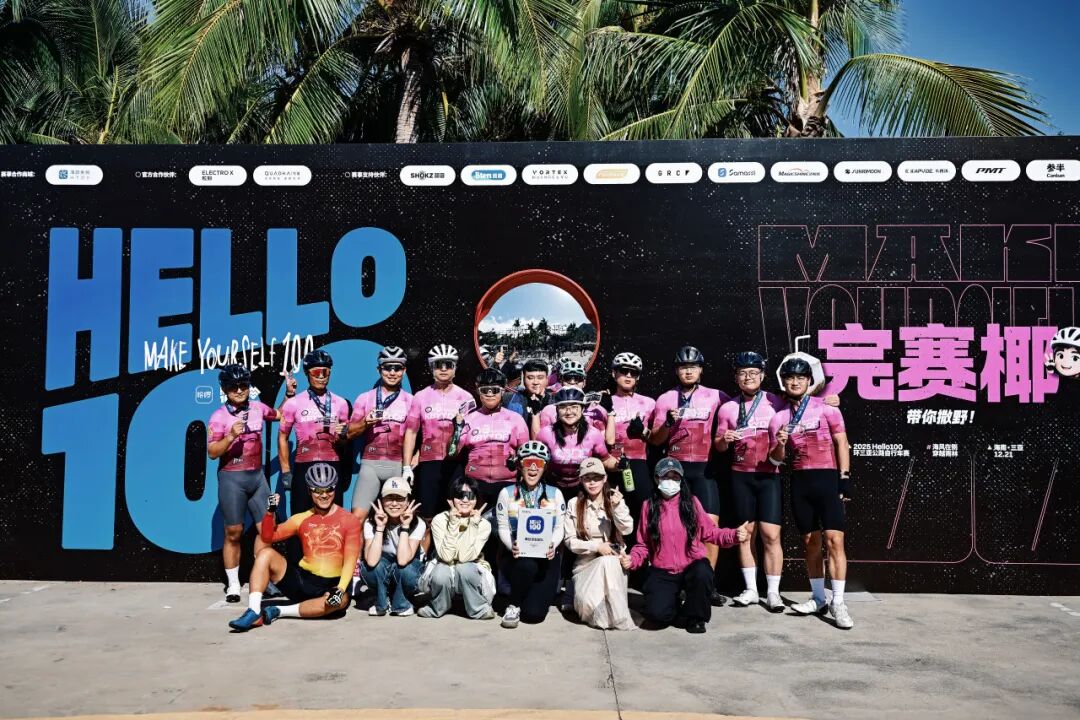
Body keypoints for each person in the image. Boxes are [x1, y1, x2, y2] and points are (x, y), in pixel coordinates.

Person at [769, 357, 854, 630]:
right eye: (790, 378)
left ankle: (838, 602)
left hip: (827, 478)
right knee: (810, 542)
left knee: (835, 541)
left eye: (800, 378)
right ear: (784, 382)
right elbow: (775, 459)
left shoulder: (827, 408)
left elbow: (842, 442)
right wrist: (780, 443)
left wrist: (844, 478)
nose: (795, 382)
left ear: (809, 381)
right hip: (800, 482)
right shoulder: (780, 418)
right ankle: (818, 598)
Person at [228, 463, 360, 630]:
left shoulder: (350, 520)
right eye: (318, 490)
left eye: (329, 489)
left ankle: (279, 611)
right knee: (265, 554)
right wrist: (269, 513)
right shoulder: (300, 519)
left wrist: (340, 589)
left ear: (335, 488)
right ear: (309, 491)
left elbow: (350, 559)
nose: (324, 495)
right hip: (302, 581)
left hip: (330, 587)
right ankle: (254, 612)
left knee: (341, 602)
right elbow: (268, 537)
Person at [627, 458, 749, 634]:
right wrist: (632, 560)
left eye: (675, 477)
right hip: (663, 571)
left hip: (691, 566)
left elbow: (711, 532)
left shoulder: (692, 503)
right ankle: (675, 605)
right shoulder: (649, 506)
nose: (670, 481)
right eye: (666, 476)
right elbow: (643, 544)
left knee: (703, 573)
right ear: (656, 478)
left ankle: (696, 618)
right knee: (657, 615)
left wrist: (734, 535)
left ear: (681, 480)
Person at [207, 363, 293, 602]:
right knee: (233, 533)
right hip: (231, 479)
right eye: (233, 386)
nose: (239, 390)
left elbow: (279, 414)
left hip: (257, 478)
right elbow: (212, 452)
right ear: (225, 389)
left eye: (243, 385)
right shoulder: (218, 417)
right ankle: (234, 585)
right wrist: (231, 436)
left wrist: (289, 395)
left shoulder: (257, 408)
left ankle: (263, 579)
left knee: (267, 530)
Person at [649, 345, 729, 601]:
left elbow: (745, 406)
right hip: (676, 471)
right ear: (677, 370)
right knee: (674, 528)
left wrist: (823, 398)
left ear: (701, 370)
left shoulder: (716, 396)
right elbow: (655, 440)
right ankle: (677, 583)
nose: (688, 371)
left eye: (693, 366)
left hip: (704, 469)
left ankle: (708, 586)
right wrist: (668, 423)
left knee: (711, 528)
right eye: (683, 367)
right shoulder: (665, 399)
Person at [714, 351, 785, 612]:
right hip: (740, 476)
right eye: (743, 373)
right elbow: (718, 445)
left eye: (753, 373)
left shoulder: (776, 401)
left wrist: (829, 400)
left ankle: (773, 593)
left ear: (762, 375)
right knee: (745, 534)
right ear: (736, 377)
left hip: (768, 475)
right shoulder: (728, 408)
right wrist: (724, 440)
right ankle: (751, 590)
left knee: (771, 535)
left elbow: (803, 405)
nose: (748, 377)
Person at [402, 344, 473, 550]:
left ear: (455, 368)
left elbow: (470, 435)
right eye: (438, 365)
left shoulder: (466, 397)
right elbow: (411, 432)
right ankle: (424, 558)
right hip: (429, 462)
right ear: (431, 367)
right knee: (427, 516)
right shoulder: (421, 396)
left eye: (448, 365)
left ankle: (452, 557)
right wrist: (406, 466)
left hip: (456, 463)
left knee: (456, 513)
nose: (443, 369)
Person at [495, 441, 567, 628]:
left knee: (533, 615)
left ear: (545, 467)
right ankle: (513, 604)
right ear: (520, 465)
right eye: (528, 463)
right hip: (517, 557)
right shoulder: (507, 493)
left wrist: (552, 544)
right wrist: (512, 546)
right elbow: (503, 527)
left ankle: (523, 595)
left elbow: (560, 527)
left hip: (546, 558)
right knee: (526, 564)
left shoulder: (555, 494)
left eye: (539, 463)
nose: (533, 468)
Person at [564, 458, 635, 630]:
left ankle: (615, 615)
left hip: (613, 563)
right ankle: (578, 592)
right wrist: (597, 547)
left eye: (597, 477)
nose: (592, 482)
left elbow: (627, 529)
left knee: (608, 562)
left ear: (604, 478)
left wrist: (616, 508)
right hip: (585, 563)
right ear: (581, 481)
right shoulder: (574, 504)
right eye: (587, 478)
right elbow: (570, 541)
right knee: (588, 607)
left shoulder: (614, 500)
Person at [347, 345, 415, 524]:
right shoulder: (365, 398)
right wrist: (365, 423)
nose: (392, 372)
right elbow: (349, 434)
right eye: (387, 367)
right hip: (370, 465)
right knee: (357, 519)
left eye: (397, 368)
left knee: (400, 520)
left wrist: (410, 465)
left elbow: (419, 436)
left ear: (404, 370)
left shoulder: (411, 401)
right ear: (379, 369)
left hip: (397, 466)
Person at [447, 367, 530, 510]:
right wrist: (457, 429)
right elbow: (451, 453)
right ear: (478, 392)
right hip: (475, 484)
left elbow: (526, 455)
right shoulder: (469, 419)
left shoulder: (516, 419)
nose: (490, 394)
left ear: (503, 391)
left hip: (507, 483)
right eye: (485, 390)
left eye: (495, 390)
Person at [278, 350, 350, 514]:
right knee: (301, 518)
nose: (321, 376)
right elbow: (282, 437)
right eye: (317, 372)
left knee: (333, 519)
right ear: (307, 373)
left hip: (332, 463)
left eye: (326, 372)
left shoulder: (341, 403)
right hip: (303, 465)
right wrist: (286, 471)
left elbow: (344, 443)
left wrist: (344, 436)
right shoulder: (293, 403)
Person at [418, 477, 496, 619]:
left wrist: (473, 524)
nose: (465, 500)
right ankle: (438, 607)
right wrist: (453, 524)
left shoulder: (483, 524)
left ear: (476, 500)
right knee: (441, 573)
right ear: (452, 498)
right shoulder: (440, 519)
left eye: (470, 496)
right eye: (460, 495)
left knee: (464, 569)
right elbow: (446, 557)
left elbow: (465, 557)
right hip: (445, 564)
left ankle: (479, 609)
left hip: (470, 566)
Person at [603, 352, 656, 532]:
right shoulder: (604, 402)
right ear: (614, 373)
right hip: (612, 463)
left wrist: (643, 431)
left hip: (639, 462)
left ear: (638, 377)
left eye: (633, 373)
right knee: (612, 512)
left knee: (643, 510)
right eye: (624, 371)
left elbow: (657, 439)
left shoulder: (649, 403)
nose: (628, 376)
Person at [359, 477, 425, 616]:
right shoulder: (370, 523)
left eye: (399, 498)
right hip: (384, 571)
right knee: (369, 568)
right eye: (389, 498)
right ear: (382, 501)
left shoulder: (418, 523)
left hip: (405, 571)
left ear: (407, 501)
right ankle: (382, 602)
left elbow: (403, 560)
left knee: (406, 570)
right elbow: (371, 561)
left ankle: (402, 603)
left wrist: (405, 526)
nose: (394, 503)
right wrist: (380, 527)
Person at [532, 360, 609, 436]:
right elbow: (540, 438)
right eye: (567, 378)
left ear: (584, 382)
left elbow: (604, 439)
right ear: (561, 381)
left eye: (577, 378)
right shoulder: (548, 410)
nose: (572, 382)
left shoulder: (596, 409)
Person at [502, 358, 552, 426]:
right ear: (523, 379)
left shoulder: (554, 402)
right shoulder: (509, 399)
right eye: (530, 378)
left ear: (547, 379)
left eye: (540, 378)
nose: (535, 382)